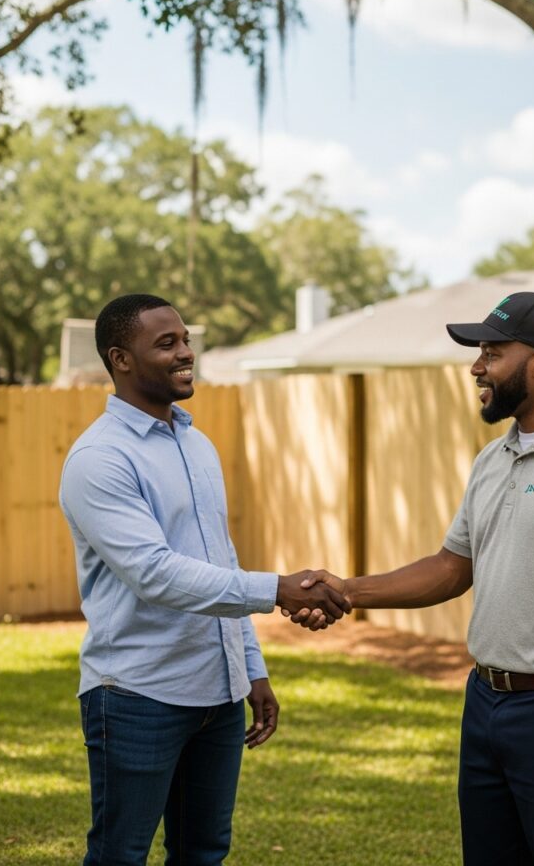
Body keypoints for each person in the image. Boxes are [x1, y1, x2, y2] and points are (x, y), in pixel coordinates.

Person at [294, 291, 534, 866]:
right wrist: (347, 589)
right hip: (485, 703)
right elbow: (452, 567)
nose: (476, 367)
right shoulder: (493, 460)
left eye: (492, 352)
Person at [59, 293, 350, 866]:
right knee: (121, 853)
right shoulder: (100, 459)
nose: (186, 352)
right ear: (120, 358)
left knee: (204, 851)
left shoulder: (197, 445)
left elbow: (218, 563)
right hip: (137, 696)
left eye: (187, 340)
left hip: (216, 695)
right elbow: (155, 574)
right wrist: (278, 589)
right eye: (167, 343)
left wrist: (250, 669)